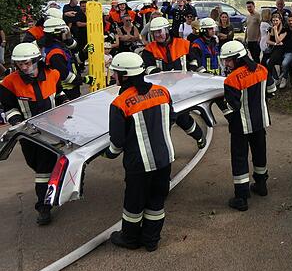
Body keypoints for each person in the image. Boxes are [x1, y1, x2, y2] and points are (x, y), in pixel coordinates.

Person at [102, 52, 175, 252]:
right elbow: (171, 119)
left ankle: (130, 239)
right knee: (156, 200)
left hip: (139, 164)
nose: (113, 76)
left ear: (124, 76)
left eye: (115, 72)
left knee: (134, 203)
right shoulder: (163, 92)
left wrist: (108, 153)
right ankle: (151, 240)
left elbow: (117, 141)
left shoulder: (120, 103)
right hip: (164, 158)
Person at [0, 43, 62, 225]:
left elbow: (59, 94)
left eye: (26, 63)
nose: (23, 67)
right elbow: (9, 107)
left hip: (53, 130)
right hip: (28, 134)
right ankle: (54, 184)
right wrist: (16, 121)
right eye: (19, 64)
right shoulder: (9, 82)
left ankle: (43, 207)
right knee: (35, 164)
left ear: (36, 60)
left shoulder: (53, 74)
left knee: (43, 170)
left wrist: (65, 103)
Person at [218, 41, 274, 211]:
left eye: (228, 60)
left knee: (240, 158)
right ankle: (261, 185)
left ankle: (241, 197)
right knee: (259, 153)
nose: (226, 64)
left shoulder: (231, 80)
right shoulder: (262, 69)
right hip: (260, 122)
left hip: (240, 127)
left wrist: (219, 103)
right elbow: (272, 90)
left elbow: (231, 108)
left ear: (238, 58)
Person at [140, 17, 207, 149]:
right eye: (155, 33)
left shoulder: (183, 43)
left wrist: (194, 66)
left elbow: (195, 55)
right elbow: (148, 67)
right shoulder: (149, 49)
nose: (158, 35)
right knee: (164, 122)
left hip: (181, 91)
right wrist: (161, 74)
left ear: (167, 30)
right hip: (161, 92)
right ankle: (165, 151)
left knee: (183, 119)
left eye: (160, 31)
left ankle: (199, 136)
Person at [40, 18, 88, 100]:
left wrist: (85, 53)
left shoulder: (57, 46)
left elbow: (72, 61)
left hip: (70, 89)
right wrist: (84, 79)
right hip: (66, 91)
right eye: (65, 32)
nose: (67, 34)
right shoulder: (55, 54)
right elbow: (65, 75)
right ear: (58, 34)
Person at [266, 15, 287, 84]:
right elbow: (267, 41)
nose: (275, 22)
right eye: (273, 21)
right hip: (273, 48)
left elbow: (278, 40)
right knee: (266, 62)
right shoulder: (270, 29)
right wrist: (275, 44)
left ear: (280, 21)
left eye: (276, 20)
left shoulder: (284, 29)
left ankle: (275, 79)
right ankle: (275, 77)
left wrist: (275, 31)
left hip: (281, 49)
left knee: (270, 63)